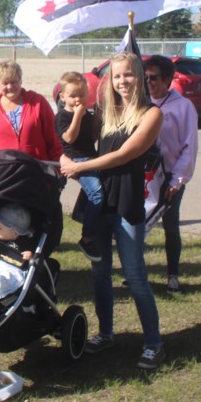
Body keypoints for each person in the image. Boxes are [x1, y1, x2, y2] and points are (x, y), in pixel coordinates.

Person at [60, 52, 166, 371]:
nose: (122, 81)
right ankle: (106, 333)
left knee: (134, 275)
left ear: (140, 77)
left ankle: (154, 343)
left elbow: (125, 154)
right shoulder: (106, 110)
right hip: (100, 200)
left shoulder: (152, 114)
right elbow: (77, 139)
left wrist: (80, 167)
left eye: (128, 75)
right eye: (117, 76)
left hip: (127, 200)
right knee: (100, 273)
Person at [144, 56, 198, 292]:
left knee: (170, 225)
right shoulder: (142, 103)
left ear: (168, 80)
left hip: (169, 176)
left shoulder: (183, 107)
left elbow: (189, 146)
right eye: (145, 77)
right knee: (138, 225)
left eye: (154, 78)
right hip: (145, 175)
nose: (149, 82)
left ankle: (172, 275)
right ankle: (136, 273)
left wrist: (177, 180)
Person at [55, 72, 103, 263]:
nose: (78, 100)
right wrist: (77, 116)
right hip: (76, 159)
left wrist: (97, 118)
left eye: (82, 95)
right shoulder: (63, 116)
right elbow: (69, 138)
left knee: (98, 191)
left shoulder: (85, 114)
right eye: (73, 95)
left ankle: (82, 214)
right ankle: (87, 238)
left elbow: (93, 136)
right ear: (63, 96)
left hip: (91, 157)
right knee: (97, 193)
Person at [0, 59, 62, 163]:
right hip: (2, 173)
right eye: (5, 83)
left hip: (36, 170)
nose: (10, 87)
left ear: (20, 80)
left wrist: (58, 169)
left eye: (14, 82)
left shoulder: (37, 103)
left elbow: (54, 139)